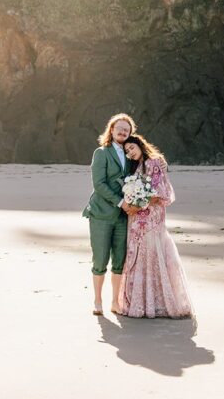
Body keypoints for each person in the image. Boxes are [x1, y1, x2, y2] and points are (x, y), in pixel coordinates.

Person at [117, 134, 193, 318]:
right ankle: (140, 303)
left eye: (131, 148)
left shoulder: (155, 161)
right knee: (138, 253)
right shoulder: (136, 168)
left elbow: (159, 191)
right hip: (136, 219)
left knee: (152, 252)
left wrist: (138, 204)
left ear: (140, 145)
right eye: (127, 151)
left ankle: (158, 304)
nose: (130, 153)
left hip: (151, 217)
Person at [82, 112, 137, 316]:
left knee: (120, 260)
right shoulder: (101, 153)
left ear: (130, 133)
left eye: (127, 129)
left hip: (123, 217)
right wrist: (121, 202)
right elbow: (99, 184)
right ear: (111, 130)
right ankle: (97, 300)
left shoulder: (132, 154)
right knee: (100, 259)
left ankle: (115, 301)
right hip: (101, 214)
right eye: (119, 128)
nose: (123, 131)